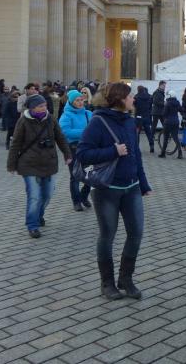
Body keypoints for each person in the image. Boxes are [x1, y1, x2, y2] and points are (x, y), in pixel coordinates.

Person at [77, 83, 151, 300]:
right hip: (106, 189)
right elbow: (83, 153)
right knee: (108, 235)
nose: (133, 99)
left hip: (131, 187)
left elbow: (136, 154)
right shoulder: (98, 121)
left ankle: (126, 279)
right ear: (119, 100)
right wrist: (113, 151)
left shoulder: (129, 120)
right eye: (130, 96)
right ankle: (107, 283)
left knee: (136, 233)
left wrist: (143, 183)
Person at [7, 94, 72, 238]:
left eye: (45, 105)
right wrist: (11, 165)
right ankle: (32, 225)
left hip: (49, 163)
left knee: (48, 194)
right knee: (34, 196)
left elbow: (60, 138)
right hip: (29, 164)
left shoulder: (51, 119)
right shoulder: (23, 121)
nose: (44, 108)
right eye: (40, 106)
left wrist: (67, 154)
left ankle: (38, 214)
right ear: (32, 108)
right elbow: (16, 143)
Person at [59, 90, 94, 211]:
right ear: (71, 102)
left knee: (90, 174)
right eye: (77, 100)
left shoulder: (88, 113)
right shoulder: (66, 115)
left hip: (88, 147)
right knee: (75, 176)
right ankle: (76, 201)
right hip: (73, 148)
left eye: (81, 100)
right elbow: (65, 132)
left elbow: (95, 128)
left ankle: (84, 196)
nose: (80, 102)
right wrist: (85, 132)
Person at [158, 90, 183, 159]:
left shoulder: (167, 103)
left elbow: (164, 113)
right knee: (175, 137)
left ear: (170, 96)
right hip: (176, 122)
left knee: (166, 138)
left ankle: (163, 153)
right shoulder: (177, 102)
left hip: (168, 122)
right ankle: (180, 153)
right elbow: (181, 109)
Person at [134, 86, 155, 153]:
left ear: (138, 90)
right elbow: (150, 106)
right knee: (148, 132)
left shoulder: (136, 97)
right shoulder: (149, 97)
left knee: (137, 133)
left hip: (138, 117)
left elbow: (134, 105)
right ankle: (152, 146)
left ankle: (137, 147)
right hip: (146, 117)